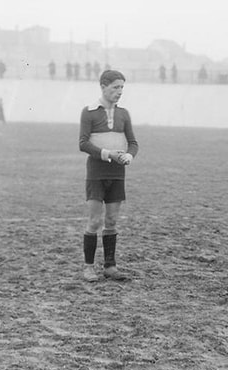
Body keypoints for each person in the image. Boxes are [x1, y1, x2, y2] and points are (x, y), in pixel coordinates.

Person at [79, 70, 139, 282]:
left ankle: (110, 266)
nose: (119, 91)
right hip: (96, 174)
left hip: (117, 175)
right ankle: (88, 267)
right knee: (95, 220)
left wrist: (129, 156)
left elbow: (133, 142)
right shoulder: (89, 112)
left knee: (112, 220)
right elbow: (83, 143)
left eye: (122, 87)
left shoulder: (124, 114)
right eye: (115, 87)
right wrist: (108, 154)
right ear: (103, 87)